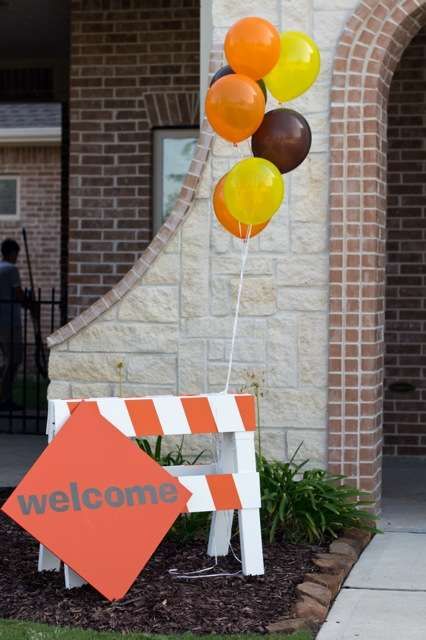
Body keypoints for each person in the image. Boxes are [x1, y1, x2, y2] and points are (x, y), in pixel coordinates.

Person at [0, 238, 24, 410]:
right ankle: (5, 397)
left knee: (6, 359)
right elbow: (18, 294)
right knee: (14, 359)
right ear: (11, 253)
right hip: (9, 320)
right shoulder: (11, 270)